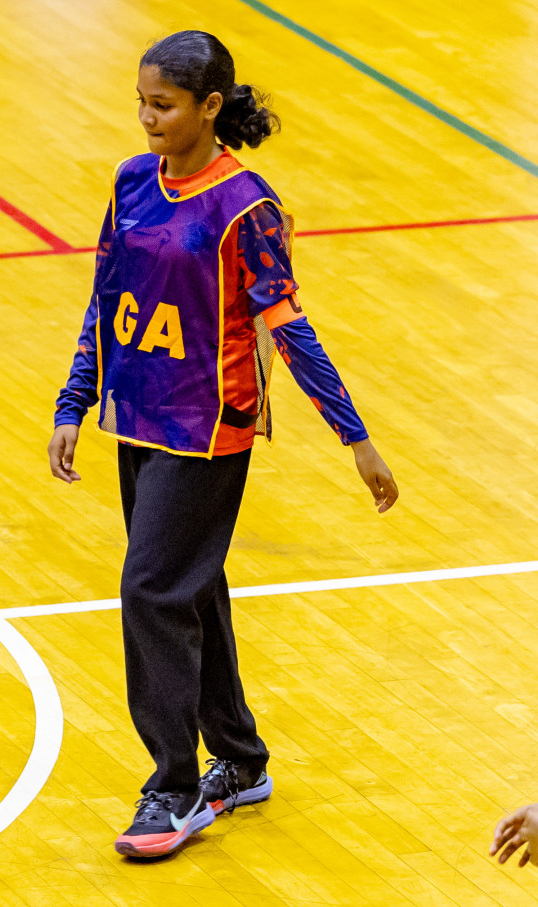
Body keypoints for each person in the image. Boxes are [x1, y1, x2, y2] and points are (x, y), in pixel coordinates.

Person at [47, 31, 399, 859]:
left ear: (210, 108)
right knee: (188, 588)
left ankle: (174, 787)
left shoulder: (247, 207)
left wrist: (357, 438)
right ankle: (239, 761)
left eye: (162, 105)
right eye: (140, 102)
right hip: (135, 416)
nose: (145, 119)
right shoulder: (133, 182)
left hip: (207, 429)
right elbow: (105, 295)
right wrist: (74, 398)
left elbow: (289, 326)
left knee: (152, 591)